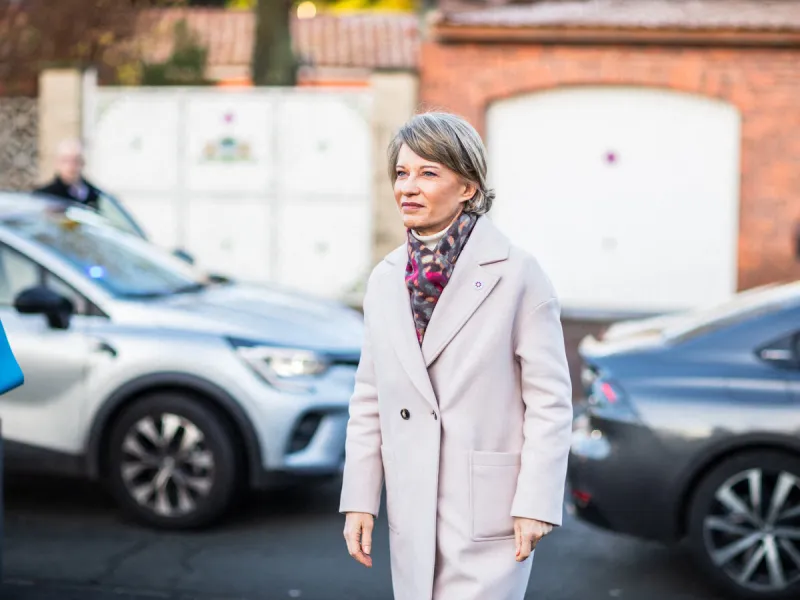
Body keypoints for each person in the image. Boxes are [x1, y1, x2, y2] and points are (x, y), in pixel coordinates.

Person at [339, 112, 574, 600]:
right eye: (401, 173)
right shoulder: (385, 279)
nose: (408, 187)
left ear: (467, 186)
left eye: (428, 173)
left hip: (488, 509)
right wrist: (360, 498)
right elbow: (369, 396)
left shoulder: (518, 274)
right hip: (412, 504)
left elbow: (550, 401)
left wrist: (536, 501)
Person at [35, 138, 103, 209]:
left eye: (76, 160)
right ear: (57, 163)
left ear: (83, 162)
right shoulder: (44, 196)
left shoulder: (96, 195)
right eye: (66, 160)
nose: (71, 166)